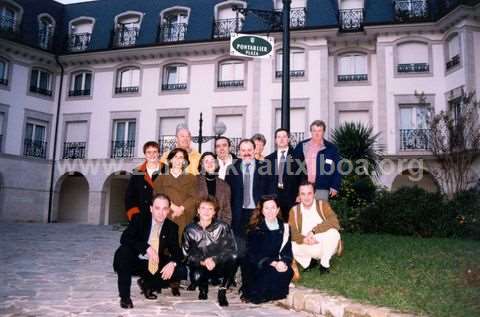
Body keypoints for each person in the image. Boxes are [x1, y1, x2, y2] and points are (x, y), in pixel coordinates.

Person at [113, 194, 186, 309]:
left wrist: (172, 263)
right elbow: (125, 238)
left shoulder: (172, 227)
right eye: (157, 208)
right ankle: (125, 297)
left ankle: (147, 284)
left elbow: (177, 251)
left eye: (165, 209)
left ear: (168, 210)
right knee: (124, 252)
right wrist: (146, 248)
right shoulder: (139, 219)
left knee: (180, 271)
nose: (160, 213)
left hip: (153, 263)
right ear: (151, 209)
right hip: (135, 261)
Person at [182, 196, 238, 307]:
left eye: (210, 209)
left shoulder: (223, 227)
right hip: (200, 265)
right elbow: (186, 255)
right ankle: (203, 288)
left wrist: (214, 259)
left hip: (218, 264)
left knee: (234, 256)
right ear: (198, 210)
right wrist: (202, 261)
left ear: (214, 212)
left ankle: (222, 291)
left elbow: (231, 249)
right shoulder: (190, 229)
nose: (206, 211)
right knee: (197, 277)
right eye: (203, 208)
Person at [242, 195, 293, 304]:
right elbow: (253, 254)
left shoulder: (285, 228)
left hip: (278, 263)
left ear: (278, 209)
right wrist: (272, 263)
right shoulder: (255, 228)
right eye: (267, 208)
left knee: (287, 271)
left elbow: (287, 251)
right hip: (260, 264)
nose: (270, 211)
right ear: (262, 211)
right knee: (265, 279)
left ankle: (271, 293)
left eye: (273, 207)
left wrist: (284, 262)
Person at [289, 181, 342, 273]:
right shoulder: (294, 211)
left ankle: (324, 265)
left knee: (334, 233)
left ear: (314, 194)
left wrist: (313, 232)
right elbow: (292, 232)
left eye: (309, 193)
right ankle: (309, 262)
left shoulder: (322, 205)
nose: (306, 197)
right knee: (288, 244)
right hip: (306, 243)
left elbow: (334, 221)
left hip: (323, 243)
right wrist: (303, 239)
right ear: (299, 196)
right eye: (303, 194)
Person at [153, 148, 198, 242]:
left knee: (183, 244)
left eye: (181, 157)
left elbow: (194, 197)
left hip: (185, 216)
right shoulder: (161, 178)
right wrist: (173, 207)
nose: (178, 160)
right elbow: (156, 195)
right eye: (175, 157)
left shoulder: (191, 178)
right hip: (167, 215)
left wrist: (181, 208)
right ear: (170, 160)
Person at [293, 120, 341, 201]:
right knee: (304, 212)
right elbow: (293, 166)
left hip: (322, 187)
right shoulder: (302, 146)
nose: (317, 133)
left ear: (323, 132)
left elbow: (337, 169)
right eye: (314, 130)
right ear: (311, 131)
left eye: (319, 131)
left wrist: (335, 186)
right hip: (304, 186)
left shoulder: (331, 148)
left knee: (320, 211)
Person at [264, 128, 304, 221]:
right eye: (278, 137)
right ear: (275, 140)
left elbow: (302, 177)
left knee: (291, 224)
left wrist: (300, 194)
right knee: (275, 224)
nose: (281, 139)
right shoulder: (268, 159)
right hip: (273, 197)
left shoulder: (298, 157)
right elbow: (265, 180)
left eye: (284, 136)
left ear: (288, 139)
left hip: (292, 196)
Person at [125, 141, 164, 221]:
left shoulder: (166, 170)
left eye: (154, 152)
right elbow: (129, 197)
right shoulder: (137, 172)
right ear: (145, 155)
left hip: (163, 216)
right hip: (142, 217)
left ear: (159, 154)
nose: (152, 155)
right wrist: (134, 215)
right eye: (149, 152)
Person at [197, 152, 232, 225]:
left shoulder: (224, 185)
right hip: (198, 226)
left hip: (218, 226)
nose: (209, 164)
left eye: (212, 161)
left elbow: (227, 210)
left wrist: (223, 227)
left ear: (216, 164)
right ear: (202, 165)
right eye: (206, 161)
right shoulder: (194, 181)